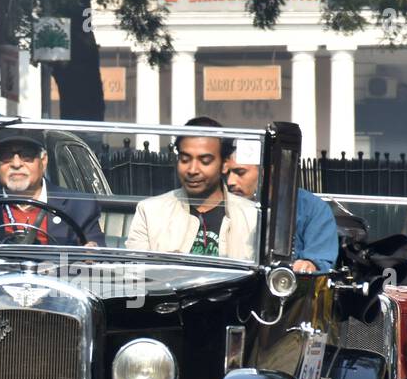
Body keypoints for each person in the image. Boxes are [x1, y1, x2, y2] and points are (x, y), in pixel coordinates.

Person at [0, 126, 105, 246]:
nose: (16, 163)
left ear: (44, 160)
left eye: (27, 155)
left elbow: (98, 260)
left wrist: (90, 256)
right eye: (6, 156)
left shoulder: (79, 206)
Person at [124, 117, 257, 259]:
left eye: (205, 161)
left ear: (224, 164)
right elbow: (136, 274)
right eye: (185, 160)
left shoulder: (253, 217)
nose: (192, 170)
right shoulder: (150, 212)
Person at [222, 140, 337, 273]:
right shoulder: (223, 205)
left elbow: (319, 262)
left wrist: (307, 265)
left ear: (267, 172)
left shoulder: (312, 209)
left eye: (240, 172)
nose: (230, 181)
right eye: (227, 174)